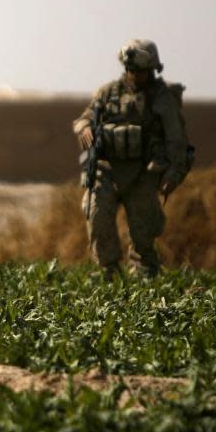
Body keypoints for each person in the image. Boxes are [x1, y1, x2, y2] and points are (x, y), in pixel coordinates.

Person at [72, 39, 191, 277]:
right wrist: (85, 127)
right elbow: (83, 118)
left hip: (142, 174)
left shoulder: (162, 98)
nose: (135, 75)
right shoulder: (108, 93)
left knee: (143, 233)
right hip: (106, 170)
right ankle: (107, 273)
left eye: (140, 71)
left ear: (152, 70)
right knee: (97, 219)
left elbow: (177, 142)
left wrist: (173, 174)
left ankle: (144, 279)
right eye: (131, 70)